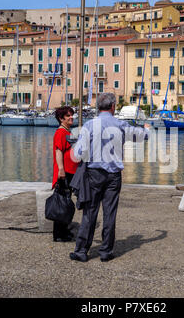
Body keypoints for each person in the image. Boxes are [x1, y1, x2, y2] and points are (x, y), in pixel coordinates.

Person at [69, 93, 150, 263]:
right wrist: (147, 129)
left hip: (93, 175)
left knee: (89, 213)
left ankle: (82, 251)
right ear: (113, 106)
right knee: (110, 214)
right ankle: (106, 251)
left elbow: (77, 155)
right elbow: (141, 136)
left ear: (99, 107)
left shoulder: (90, 125)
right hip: (113, 176)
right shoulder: (120, 124)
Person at [51, 106, 79, 242]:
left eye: (72, 115)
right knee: (62, 202)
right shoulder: (60, 133)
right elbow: (58, 151)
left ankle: (64, 230)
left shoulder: (67, 131)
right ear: (61, 119)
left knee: (66, 201)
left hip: (71, 171)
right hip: (65, 172)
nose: (71, 117)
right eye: (68, 116)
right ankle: (58, 234)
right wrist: (61, 170)